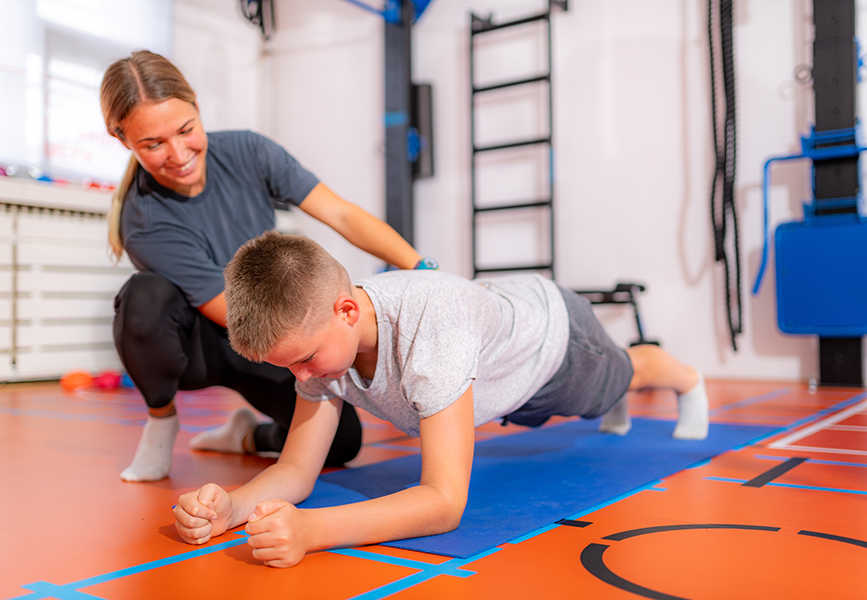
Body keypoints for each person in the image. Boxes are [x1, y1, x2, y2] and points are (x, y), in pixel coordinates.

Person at [172, 231, 710, 568]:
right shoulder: (319, 347)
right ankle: (616, 394)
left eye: (304, 359)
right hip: (493, 372)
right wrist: (233, 506)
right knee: (582, 404)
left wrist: (313, 530)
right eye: (286, 365)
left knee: (617, 381)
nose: (300, 376)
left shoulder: (430, 327)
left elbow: (444, 503)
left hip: (555, 340)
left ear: (346, 310)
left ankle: (682, 375)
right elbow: (295, 468)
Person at [101, 50, 429, 483]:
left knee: (341, 444)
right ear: (122, 139)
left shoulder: (248, 150)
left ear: (197, 107)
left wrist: (422, 270)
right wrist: (334, 342)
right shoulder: (143, 221)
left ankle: (247, 435)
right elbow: (232, 313)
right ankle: (161, 420)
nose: (179, 154)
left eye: (185, 130)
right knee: (144, 299)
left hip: (265, 334)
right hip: (206, 346)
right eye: (153, 144)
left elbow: (342, 215)